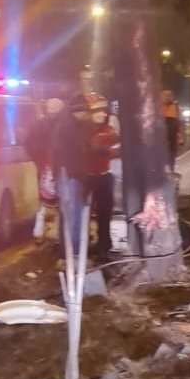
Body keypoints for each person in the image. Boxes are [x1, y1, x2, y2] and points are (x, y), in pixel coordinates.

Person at [52, 92, 119, 259]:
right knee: (75, 215)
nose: (102, 114)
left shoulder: (101, 129)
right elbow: (75, 151)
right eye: (98, 111)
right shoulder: (74, 128)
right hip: (79, 176)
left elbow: (115, 146)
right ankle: (72, 254)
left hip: (98, 176)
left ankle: (96, 249)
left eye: (105, 111)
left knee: (99, 214)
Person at [24, 97, 64, 242]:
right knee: (57, 200)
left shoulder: (39, 125)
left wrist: (38, 159)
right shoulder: (61, 125)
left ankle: (41, 231)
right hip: (54, 167)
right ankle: (54, 232)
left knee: (46, 200)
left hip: (45, 166)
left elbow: (28, 143)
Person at [161, 89, 181, 165]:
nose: (167, 97)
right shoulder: (158, 106)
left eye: (169, 95)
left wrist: (180, 136)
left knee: (172, 152)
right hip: (162, 134)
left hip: (172, 133)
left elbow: (179, 121)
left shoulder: (175, 106)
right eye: (165, 95)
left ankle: (171, 169)